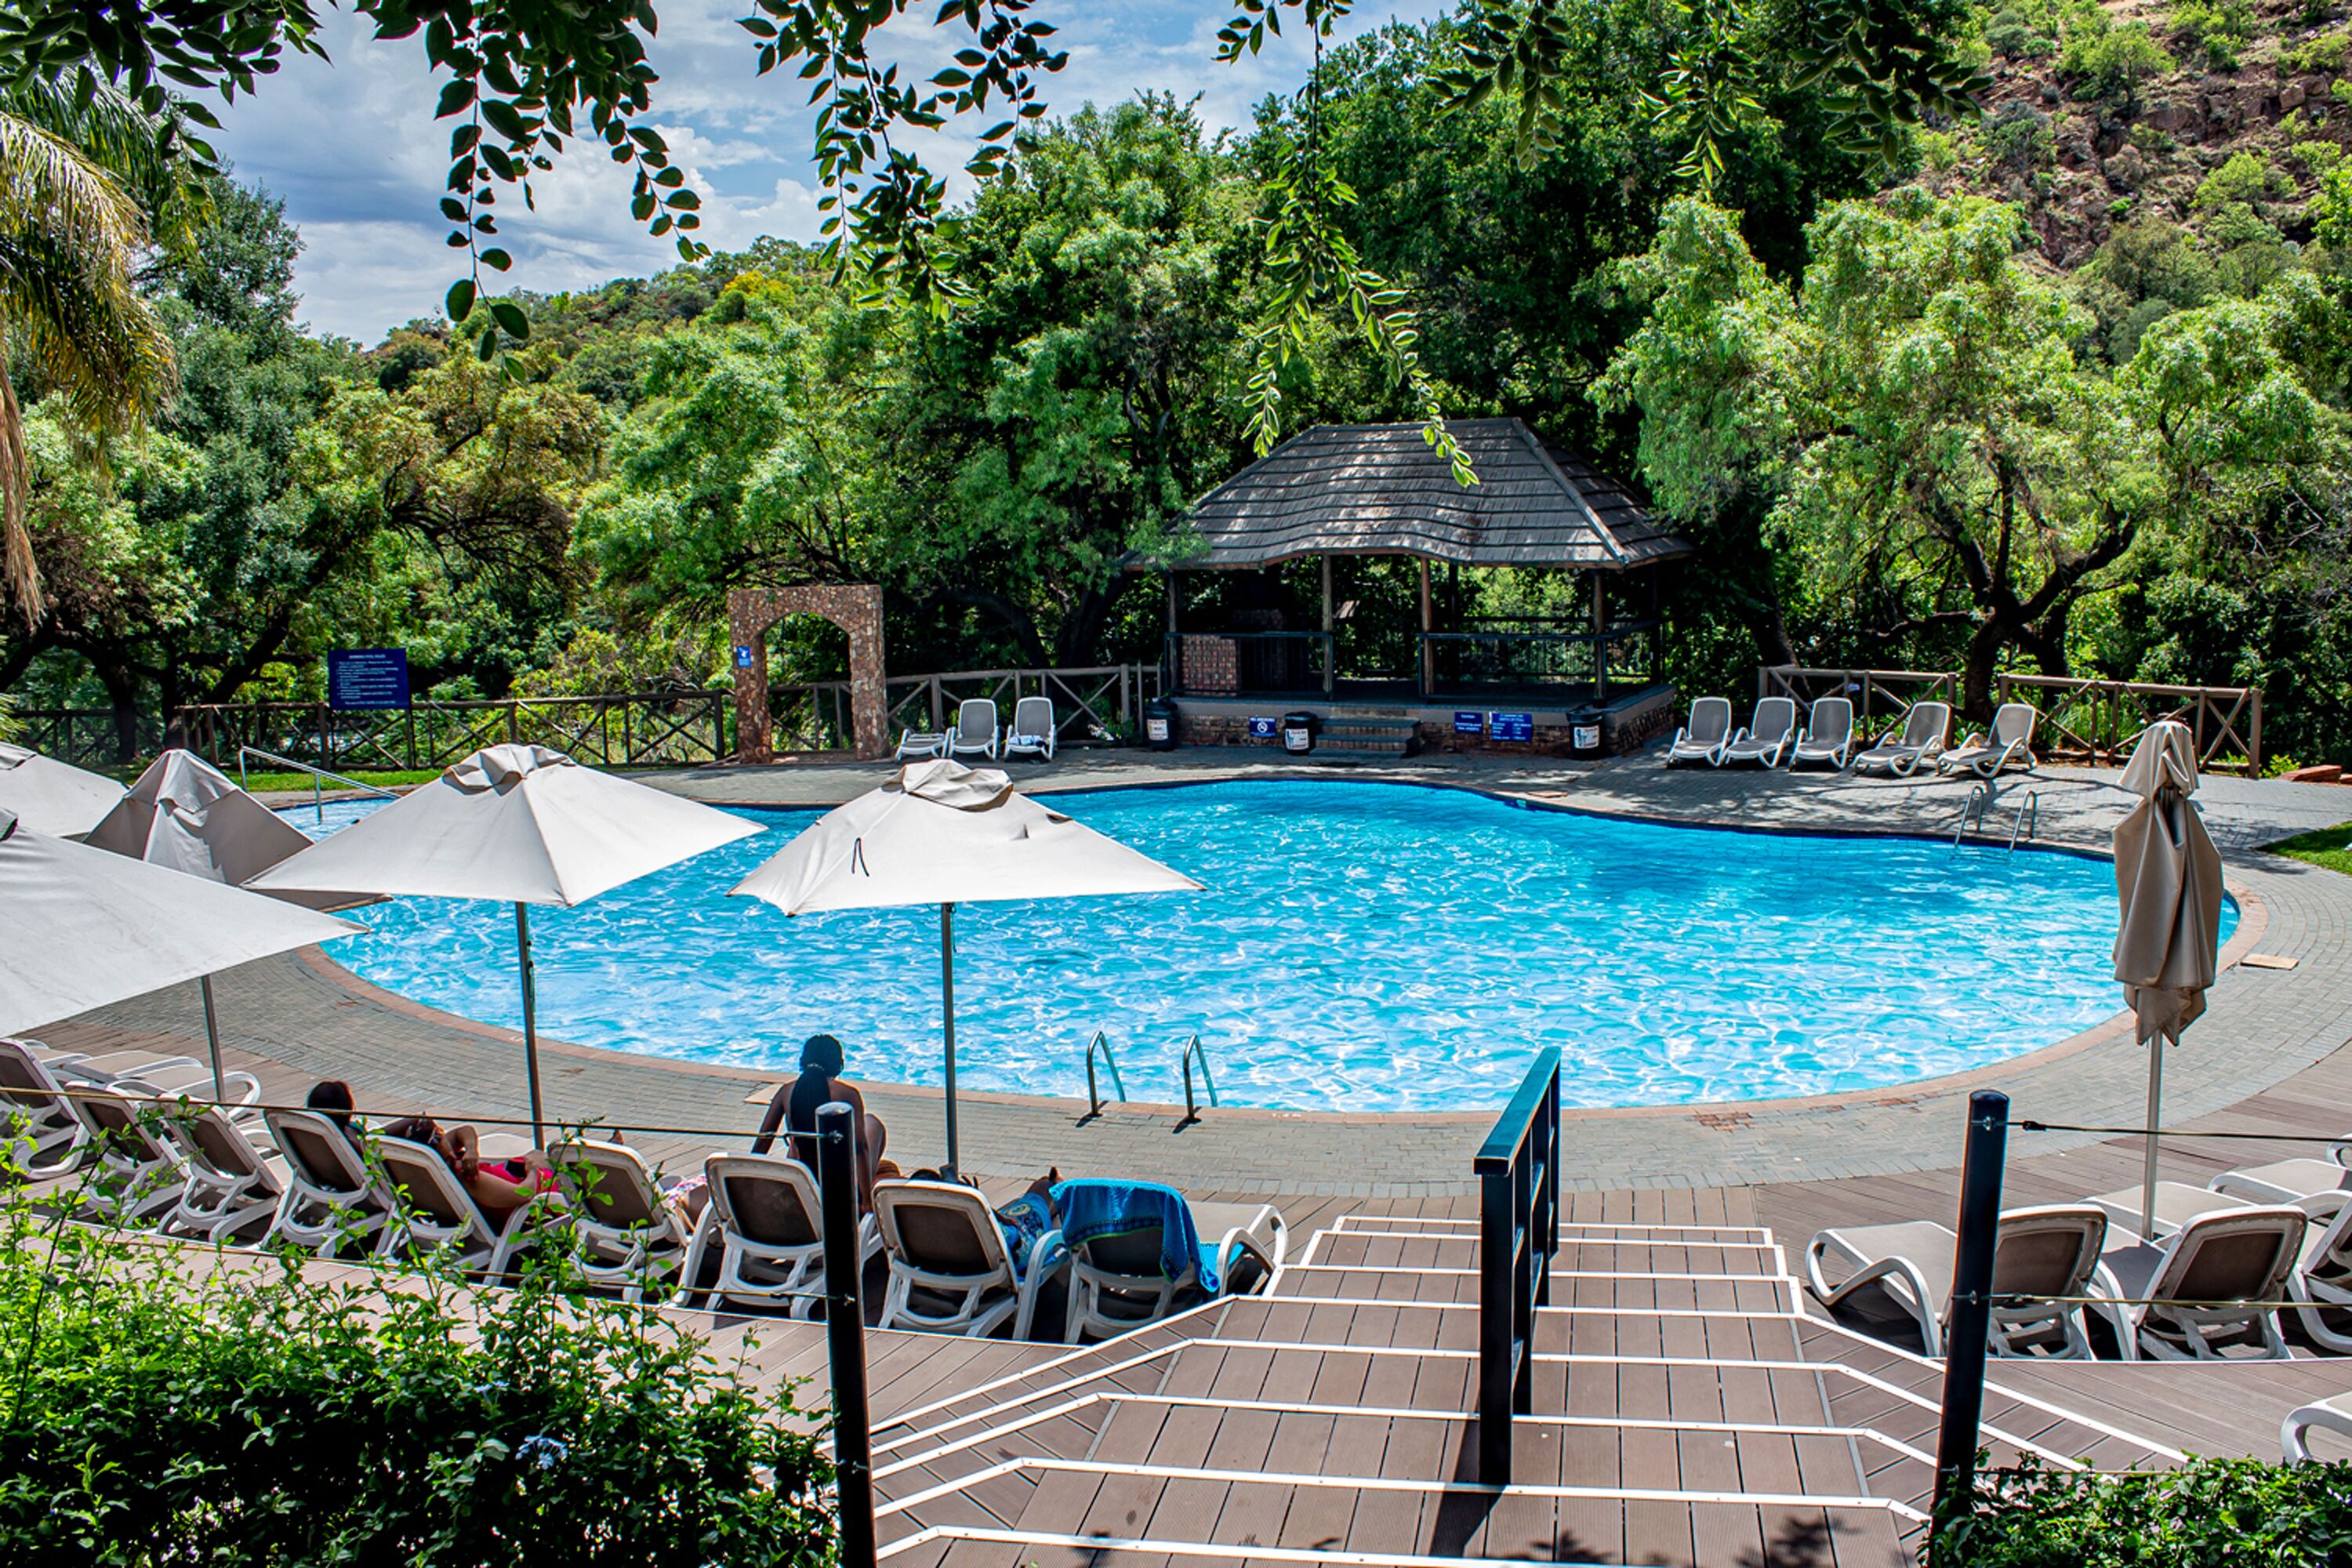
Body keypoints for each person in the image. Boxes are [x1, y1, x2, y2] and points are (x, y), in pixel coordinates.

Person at [752, 1033, 894, 1206]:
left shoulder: (787, 1091)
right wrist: (865, 1201)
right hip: (841, 1186)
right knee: (872, 1123)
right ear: (839, 1065)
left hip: (800, 1181)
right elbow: (860, 1148)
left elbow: (762, 1143)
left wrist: (750, 1188)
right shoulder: (847, 1094)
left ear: (803, 1060)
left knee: (798, 1139)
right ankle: (865, 1192)